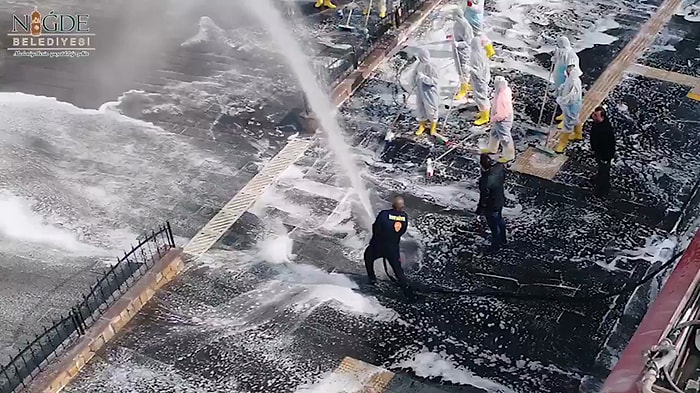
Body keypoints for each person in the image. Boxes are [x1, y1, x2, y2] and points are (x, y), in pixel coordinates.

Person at [364, 196, 414, 299]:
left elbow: (376, 228)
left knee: (368, 257)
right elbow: (402, 231)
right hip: (393, 248)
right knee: (398, 270)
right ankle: (408, 293)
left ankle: (372, 280)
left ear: (392, 205)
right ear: (402, 206)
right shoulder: (404, 216)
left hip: (378, 245)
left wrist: (375, 240)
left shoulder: (384, 214)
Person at [476, 154, 507, 253]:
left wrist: (480, 210)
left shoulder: (485, 181)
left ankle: (495, 247)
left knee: (494, 226)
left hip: (491, 205)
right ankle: (503, 240)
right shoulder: (499, 168)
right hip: (500, 200)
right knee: (500, 220)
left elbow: (484, 197)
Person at [407, 47, 440, 136]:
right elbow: (414, 75)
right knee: (420, 107)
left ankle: (433, 127)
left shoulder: (431, 66)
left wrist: (424, 78)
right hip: (420, 90)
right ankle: (422, 125)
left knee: (431, 108)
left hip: (429, 91)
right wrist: (413, 82)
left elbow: (435, 81)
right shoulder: (418, 65)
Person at [483, 76, 515, 162]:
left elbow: (502, 114)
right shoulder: (505, 90)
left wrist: (493, 119)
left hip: (502, 120)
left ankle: (509, 156)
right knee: (494, 133)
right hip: (500, 117)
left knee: (505, 138)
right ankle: (492, 149)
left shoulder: (502, 98)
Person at [554, 64, 583, 153]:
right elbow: (566, 85)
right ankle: (578, 134)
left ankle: (562, 144)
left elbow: (571, 98)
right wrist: (562, 87)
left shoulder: (574, 84)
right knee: (575, 119)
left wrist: (561, 100)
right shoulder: (571, 79)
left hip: (572, 107)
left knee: (568, 124)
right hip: (571, 106)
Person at [447, 5, 474, 100]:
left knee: (464, 70)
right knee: (459, 68)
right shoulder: (457, 24)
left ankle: (463, 90)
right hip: (457, 50)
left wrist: (458, 44)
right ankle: (468, 84)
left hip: (464, 52)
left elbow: (468, 42)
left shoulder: (466, 26)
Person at [551, 36, 579, 121]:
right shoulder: (561, 51)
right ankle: (563, 112)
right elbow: (557, 58)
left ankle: (568, 115)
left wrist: (569, 77)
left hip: (566, 78)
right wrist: (554, 58)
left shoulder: (571, 55)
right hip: (559, 77)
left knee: (566, 96)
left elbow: (571, 68)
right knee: (560, 93)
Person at [589, 106, 616, 196]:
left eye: (596, 115)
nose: (593, 116)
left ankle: (603, 189)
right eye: (594, 114)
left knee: (605, 171)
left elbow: (609, 144)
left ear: (602, 117)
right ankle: (598, 178)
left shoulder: (605, 130)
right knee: (601, 168)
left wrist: (605, 157)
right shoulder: (597, 123)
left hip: (604, 154)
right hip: (598, 151)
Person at [470, 36, 491, 126]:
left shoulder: (477, 56)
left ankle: (485, 117)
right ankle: (483, 112)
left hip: (480, 80)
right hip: (481, 79)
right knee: (480, 96)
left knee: (481, 97)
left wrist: (470, 69)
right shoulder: (480, 52)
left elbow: (478, 71)